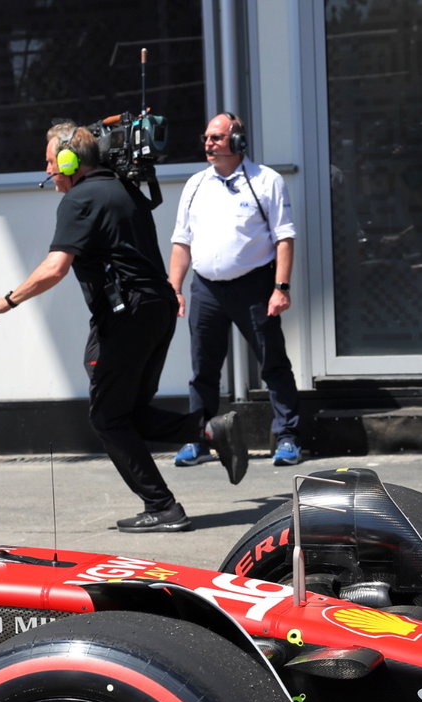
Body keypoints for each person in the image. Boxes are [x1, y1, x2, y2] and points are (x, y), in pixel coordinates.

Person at [0, 120, 248, 533]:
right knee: (129, 413)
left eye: (51, 162)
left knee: (107, 417)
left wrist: (8, 299)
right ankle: (209, 430)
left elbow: (55, 268)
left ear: (70, 161)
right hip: (155, 310)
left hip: (128, 317)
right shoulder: (124, 190)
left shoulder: (80, 200)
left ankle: (163, 507)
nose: (48, 170)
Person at [168, 112, 302, 468]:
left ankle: (287, 435)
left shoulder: (266, 181)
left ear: (238, 141)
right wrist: (175, 288)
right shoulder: (196, 184)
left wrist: (281, 288)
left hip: (254, 287)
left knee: (272, 362)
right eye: (206, 138)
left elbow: (284, 238)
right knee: (203, 369)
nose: (208, 144)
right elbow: (182, 242)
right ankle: (198, 439)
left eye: (216, 137)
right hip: (207, 290)